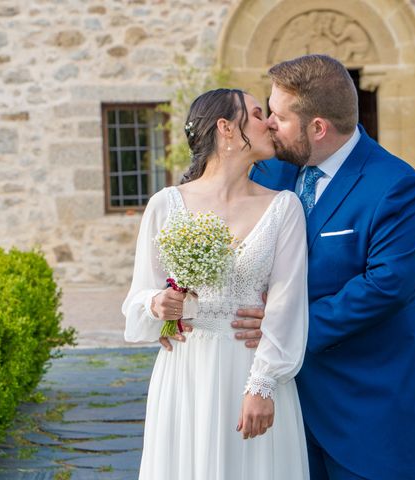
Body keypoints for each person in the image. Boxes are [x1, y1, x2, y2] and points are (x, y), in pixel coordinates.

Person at [235, 54, 415, 479]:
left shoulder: (398, 188)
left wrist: (285, 327)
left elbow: (386, 286)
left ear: (318, 128)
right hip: (282, 408)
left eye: (279, 116)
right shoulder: (270, 173)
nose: (269, 123)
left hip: (364, 412)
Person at [123, 88, 310, 480]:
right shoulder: (165, 204)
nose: (269, 123)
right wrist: (159, 304)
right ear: (227, 128)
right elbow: (139, 296)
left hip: (252, 369)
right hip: (186, 372)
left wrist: (263, 385)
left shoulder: (284, 207)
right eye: (258, 114)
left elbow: (288, 303)